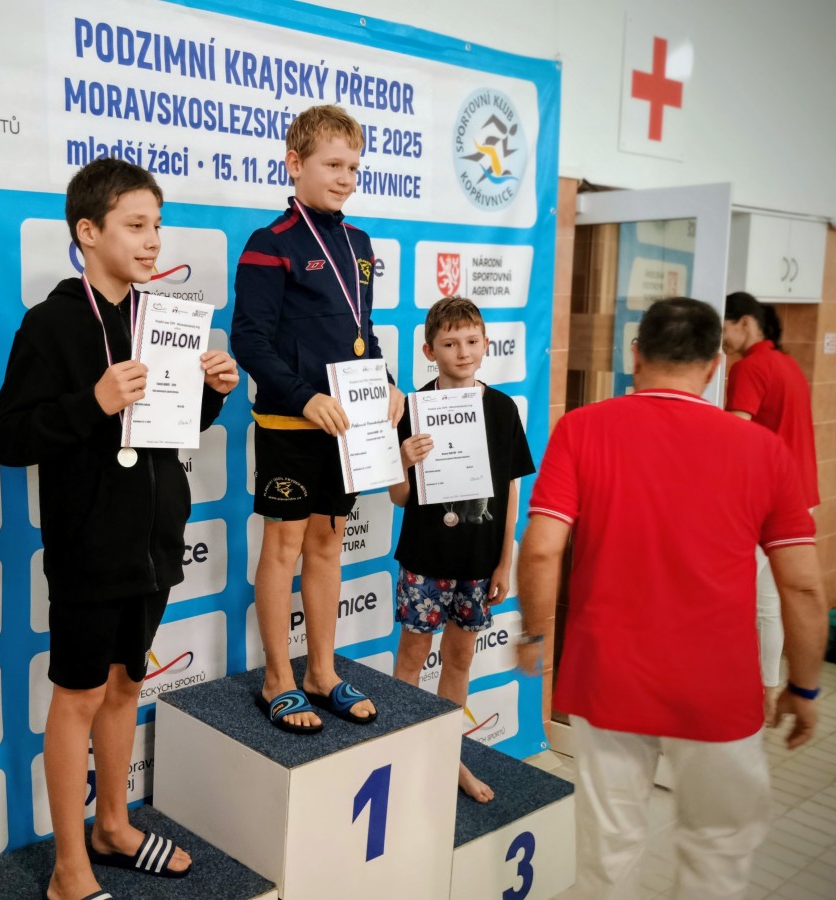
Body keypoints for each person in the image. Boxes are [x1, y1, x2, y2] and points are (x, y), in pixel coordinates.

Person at [515, 297, 827, 899]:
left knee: (609, 856)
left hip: (609, 677)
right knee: (717, 855)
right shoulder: (763, 450)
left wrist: (534, 633)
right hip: (719, 686)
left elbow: (542, 550)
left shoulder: (581, 428)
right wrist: (805, 686)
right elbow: (803, 585)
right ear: (715, 365)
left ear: (635, 355)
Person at [0, 158, 238, 900]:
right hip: (89, 548)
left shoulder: (161, 318)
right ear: (88, 232)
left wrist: (211, 394)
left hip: (153, 543)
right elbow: (9, 439)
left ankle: (114, 826)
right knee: (79, 697)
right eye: (136, 225)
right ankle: (70, 869)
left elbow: (169, 428)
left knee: (128, 686)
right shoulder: (52, 323)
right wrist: (91, 402)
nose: (153, 240)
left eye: (157, 225)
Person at [231, 104, 404, 734]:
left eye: (353, 167)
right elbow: (249, 341)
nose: (346, 178)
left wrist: (386, 384)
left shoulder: (359, 245)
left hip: (346, 429)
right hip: (291, 426)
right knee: (284, 548)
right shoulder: (269, 244)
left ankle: (321, 672)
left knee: (329, 543)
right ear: (295, 164)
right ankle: (278, 678)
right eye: (333, 165)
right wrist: (304, 398)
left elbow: (363, 334)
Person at [390, 296, 534, 802]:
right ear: (429, 351)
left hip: (479, 558)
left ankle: (447, 759)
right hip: (424, 555)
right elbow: (399, 497)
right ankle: (402, 757)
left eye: (472, 341)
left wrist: (505, 560)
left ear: (486, 344)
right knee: (411, 657)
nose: (463, 352)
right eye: (450, 344)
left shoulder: (501, 409)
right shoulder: (411, 408)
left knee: (459, 659)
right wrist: (402, 460)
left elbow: (511, 491)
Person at [723, 290, 821, 721]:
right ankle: (766, 690)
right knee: (768, 604)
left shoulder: (749, 367)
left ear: (745, 323)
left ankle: (739, 693)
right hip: (801, 499)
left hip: (765, 505)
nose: (721, 341)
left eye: (724, 329)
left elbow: (736, 436)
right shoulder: (788, 364)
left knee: (734, 599)